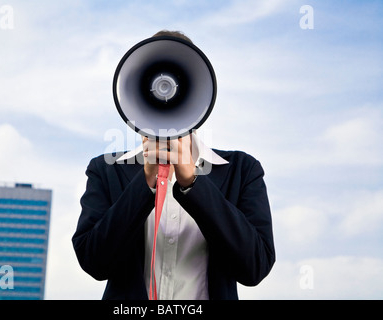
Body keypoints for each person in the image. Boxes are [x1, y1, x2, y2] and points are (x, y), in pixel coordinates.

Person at [72, 30, 275, 300]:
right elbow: (93, 261)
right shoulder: (105, 170)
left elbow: (255, 267)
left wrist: (193, 184)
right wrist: (144, 182)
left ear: (195, 89)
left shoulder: (242, 170)